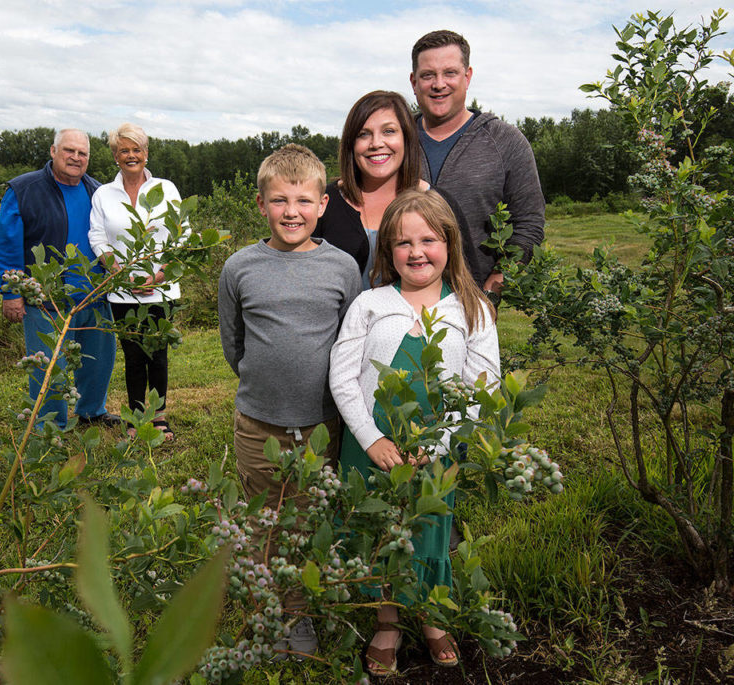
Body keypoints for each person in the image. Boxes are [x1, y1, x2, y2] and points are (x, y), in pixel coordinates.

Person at [329, 189, 500, 676]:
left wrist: (439, 444)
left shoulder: (473, 308)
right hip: (371, 447)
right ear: (388, 251)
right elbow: (343, 376)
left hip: (434, 449)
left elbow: (480, 386)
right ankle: (386, 621)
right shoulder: (369, 304)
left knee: (427, 532)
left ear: (450, 242)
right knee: (376, 533)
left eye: (429, 239)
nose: (417, 251)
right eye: (403, 243)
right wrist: (371, 438)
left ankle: (429, 617)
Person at [218, 143, 360, 660]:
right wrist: (264, 383)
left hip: (321, 426)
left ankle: (299, 617)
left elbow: (350, 344)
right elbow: (233, 342)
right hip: (258, 424)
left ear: (323, 204)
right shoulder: (239, 267)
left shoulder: (343, 267)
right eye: (279, 200)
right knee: (264, 521)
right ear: (261, 204)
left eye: (303, 200)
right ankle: (267, 613)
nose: (291, 211)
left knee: (305, 523)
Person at [0, 129, 120, 429]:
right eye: (69, 151)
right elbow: (7, 243)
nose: (76, 158)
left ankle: (92, 411)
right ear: (53, 151)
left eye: (83, 153)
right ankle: (50, 426)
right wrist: (11, 293)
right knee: (48, 366)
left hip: (94, 295)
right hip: (47, 300)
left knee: (97, 360)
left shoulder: (96, 191)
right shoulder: (24, 189)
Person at [410, 29, 545, 301]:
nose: (439, 84)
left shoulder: (506, 141)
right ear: (414, 82)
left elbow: (529, 224)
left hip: (472, 306)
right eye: (428, 75)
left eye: (450, 73)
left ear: (467, 76)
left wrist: (491, 291)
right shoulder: (394, 141)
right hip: (397, 304)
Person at [313, 90, 468, 293]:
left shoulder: (439, 204)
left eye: (388, 131)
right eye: (363, 134)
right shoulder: (322, 203)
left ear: (407, 138)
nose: (376, 143)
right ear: (351, 144)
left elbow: (464, 280)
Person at [89, 123, 182, 439]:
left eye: (136, 149)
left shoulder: (166, 189)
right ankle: (134, 418)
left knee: (157, 353)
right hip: (122, 291)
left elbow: (180, 234)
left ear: (146, 153)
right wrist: (117, 273)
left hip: (162, 289)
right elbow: (97, 236)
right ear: (115, 156)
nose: (131, 155)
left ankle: (159, 418)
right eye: (124, 150)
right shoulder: (103, 194)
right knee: (132, 354)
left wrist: (160, 274)